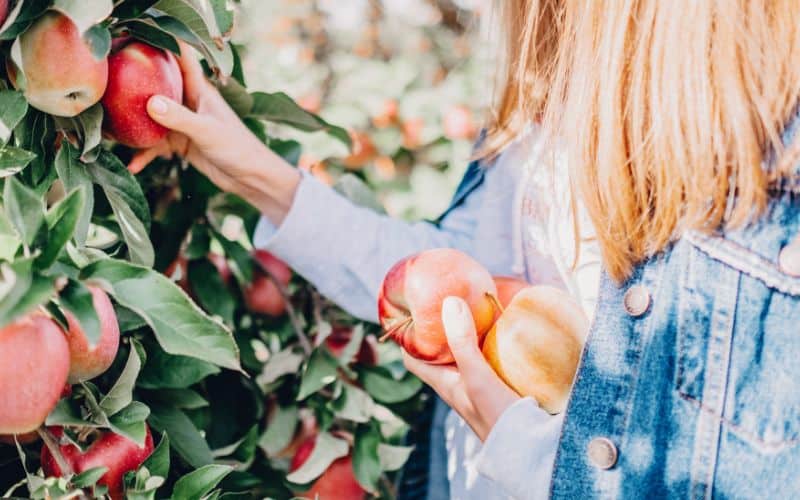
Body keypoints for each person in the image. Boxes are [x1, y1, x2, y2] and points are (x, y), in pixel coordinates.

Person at [131, 0, 800, 498]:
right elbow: (463, 276)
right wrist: (252, 170)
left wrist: (520, 448)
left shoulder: (765, 155)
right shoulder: (553, 58)